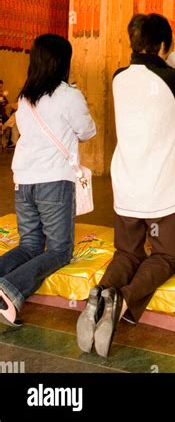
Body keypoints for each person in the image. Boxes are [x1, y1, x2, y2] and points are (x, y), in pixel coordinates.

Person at [77, 13, 175, 357]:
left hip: (126, 182)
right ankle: (122, 300)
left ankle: (102, 292)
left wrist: (163, 54)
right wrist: (174, 55)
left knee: (128, 252)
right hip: (161, 187)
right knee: (166, 255)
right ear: (163, 45)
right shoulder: (172, 79)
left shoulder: (119, 77)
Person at [0, 35, 96, 327]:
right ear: (62, 62)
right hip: (53, 181)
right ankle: (10, 290)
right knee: (58, 250)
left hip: (23, 180)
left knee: (29, 244)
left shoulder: (24, 97)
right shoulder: (69, 95)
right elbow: (88, 131)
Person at [0, 80, 13, 149]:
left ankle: (10, 142)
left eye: (1, 87)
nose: (0, 89)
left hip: (4, 116)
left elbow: (7, 105)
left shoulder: (3, 97)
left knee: (14, 118)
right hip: (1, 116)